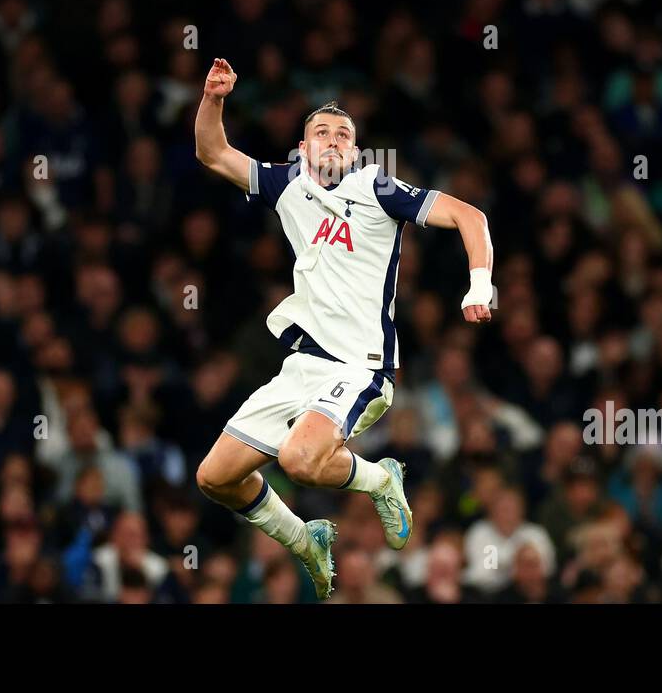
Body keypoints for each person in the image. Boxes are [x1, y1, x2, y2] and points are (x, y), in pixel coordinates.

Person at [192, 58, 494, 597]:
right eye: (320, 132)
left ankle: (382, 478)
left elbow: (471, 216)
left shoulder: (378, 190)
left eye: (343, 134)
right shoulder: (285, 185)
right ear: (303, 149)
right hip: (301, 366)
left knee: (299, 460)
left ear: (354, 152)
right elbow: (213, 153)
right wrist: (214, 99)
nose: (332, 140)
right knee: (215, 478)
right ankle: (306, 540)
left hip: (360, 367)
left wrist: (478, 284)